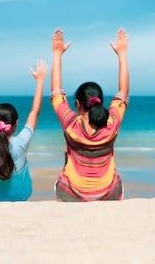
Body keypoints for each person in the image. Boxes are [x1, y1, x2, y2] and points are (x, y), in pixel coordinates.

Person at [50, 28, 130, 201]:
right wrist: (122, 54)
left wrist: (57, 54)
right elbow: (123, 91)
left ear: (78, 104)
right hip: (107, 194)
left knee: (66, 158)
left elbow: (56, 93)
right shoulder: (112, 124)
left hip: (73, 195)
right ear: (100, 101)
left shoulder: (71, 125)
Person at [0, 59, 48, 202]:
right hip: (20, 196)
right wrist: (40, 81)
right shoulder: (22, 141)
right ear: (16, 123)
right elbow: (34, 112)